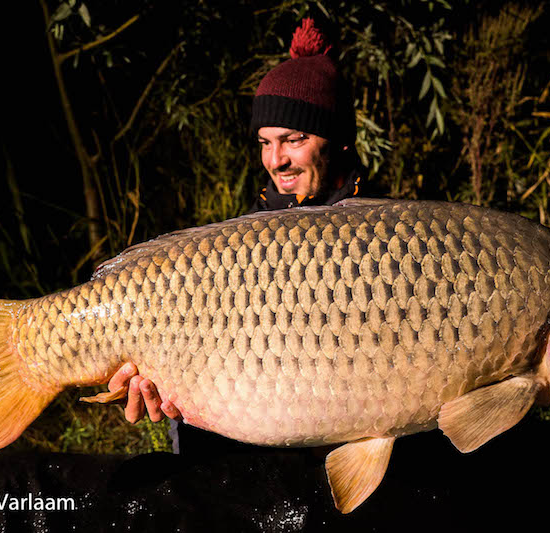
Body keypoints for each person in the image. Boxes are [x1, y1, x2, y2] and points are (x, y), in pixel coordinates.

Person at [107, 17, 366, 449]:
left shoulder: (386, 234)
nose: (275, 161)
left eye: (294, 139)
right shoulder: (239, 241)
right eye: (265, 143)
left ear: (338, 139)